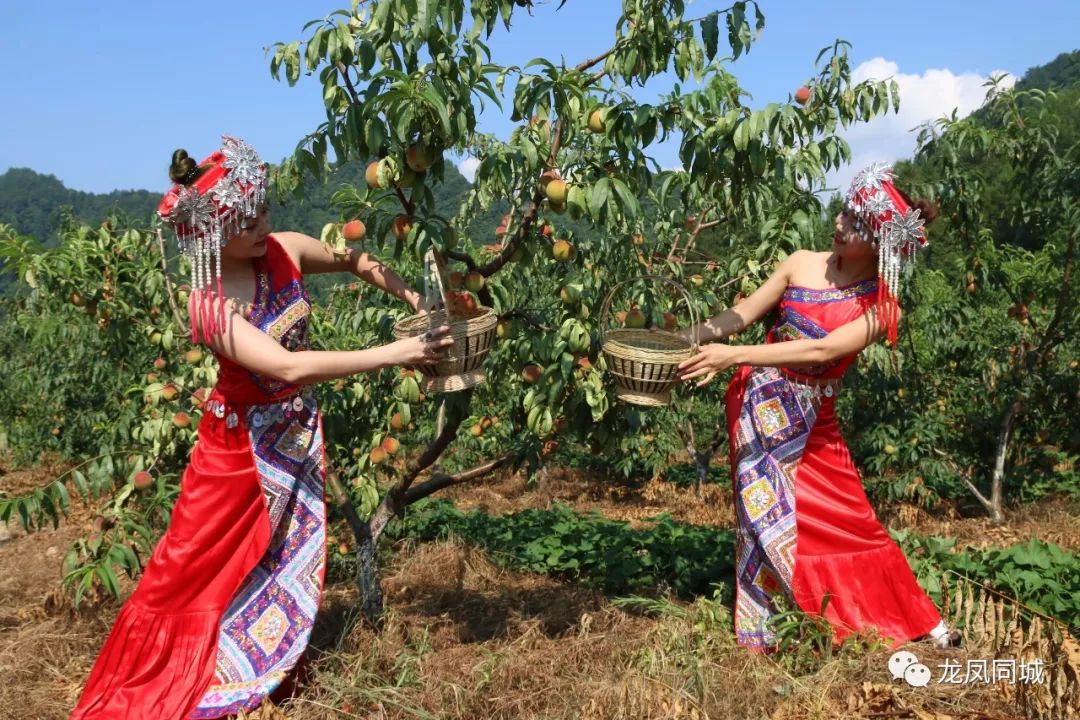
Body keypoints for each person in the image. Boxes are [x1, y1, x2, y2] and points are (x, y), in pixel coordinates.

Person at [71, 135, 453, 719]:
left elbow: (352, 258)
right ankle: (176, 675)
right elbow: (287, 365)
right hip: (235, 451)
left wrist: (413, 296)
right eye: (245, 220)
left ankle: (258, 664)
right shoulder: (208, 305)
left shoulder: (284, 249)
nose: (261, 225)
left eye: (262, 211)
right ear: (210, 234)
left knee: (275, 556)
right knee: (193, 566)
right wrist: (400, 351)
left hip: (290, 436)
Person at [676, 163, 961, 653]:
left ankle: (913, 619)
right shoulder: (801, 260)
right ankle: (775, 624)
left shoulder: (882, 308)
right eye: (844, 213)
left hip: (811, 420)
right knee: (762, 514)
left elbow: (822, 352)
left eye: (853, 222)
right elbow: (744, 313)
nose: (838, 223)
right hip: (760, 403)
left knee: (851, 517)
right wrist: (688, 337)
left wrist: (734, 355)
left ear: (877, 243)